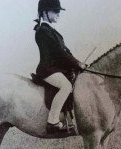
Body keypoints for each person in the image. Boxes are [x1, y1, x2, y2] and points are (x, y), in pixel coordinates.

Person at [34, 0, 86, 134]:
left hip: (55, 69)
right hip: (48, 69)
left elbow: (66, 51)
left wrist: (78, 63)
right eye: (55, 11)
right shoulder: (43, 30)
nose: (58, 14)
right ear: (45, 12)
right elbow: (60, 53)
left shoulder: (51, 30)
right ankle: (52, 121)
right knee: (66, 86)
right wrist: (77, 64)